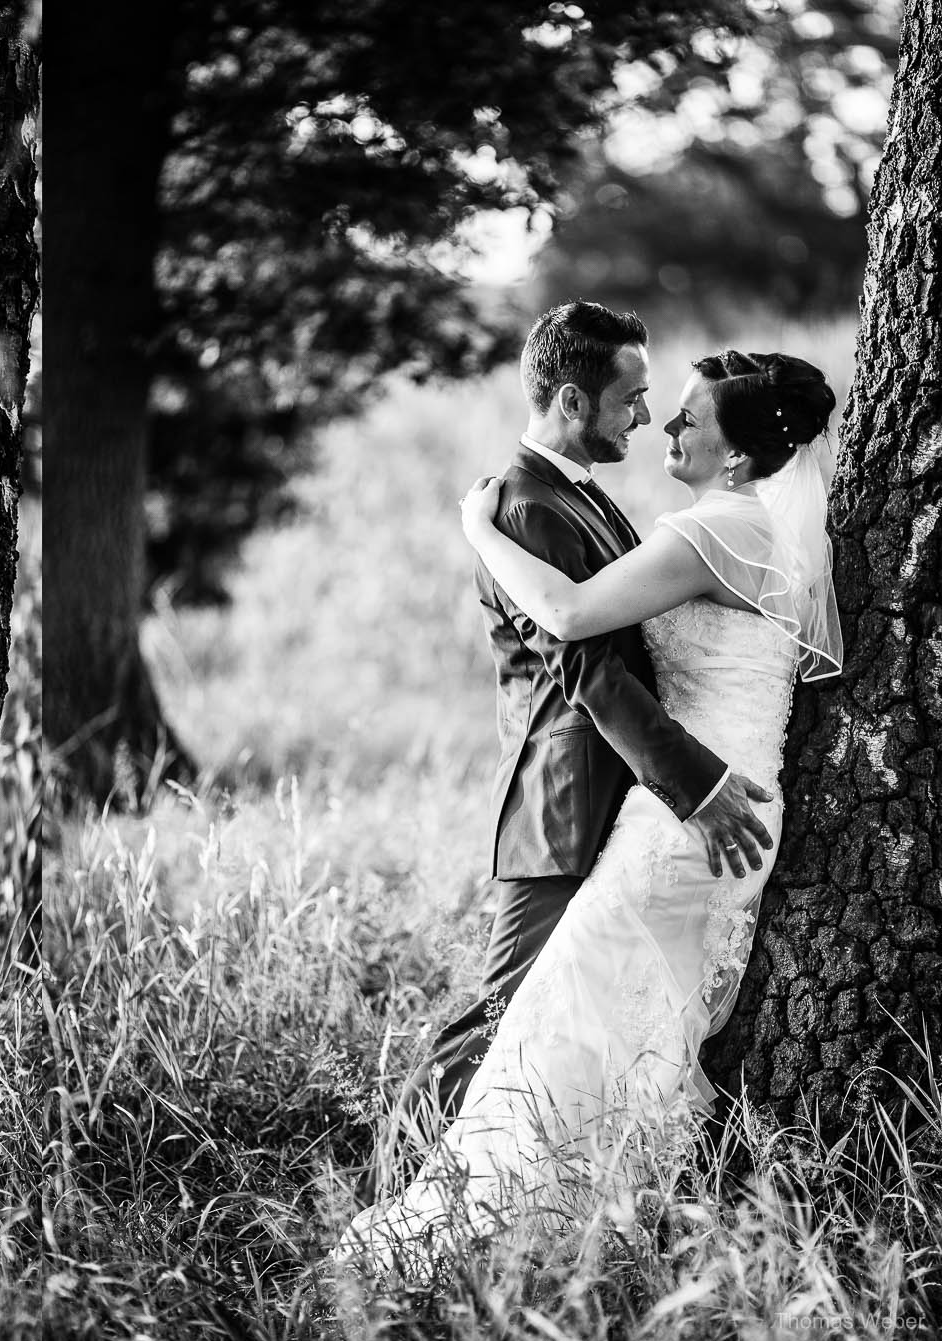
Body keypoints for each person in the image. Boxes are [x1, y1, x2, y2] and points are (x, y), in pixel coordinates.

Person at [340, 349, 842, 1276]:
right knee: (634, 1024)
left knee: (550, 1014)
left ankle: (468, 1223)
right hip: (729, 797)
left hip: (686, 816)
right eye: (653, 404)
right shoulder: (768, 533)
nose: (667, 425)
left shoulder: (711, 532)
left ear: (737, 456)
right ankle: (596, 1220)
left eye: (688, 414)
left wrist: (478, 533)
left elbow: (570, 619)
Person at [406, 303, 779, 1135]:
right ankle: (399, 1179)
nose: (645, 418)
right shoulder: (526, 508)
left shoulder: (584, 498)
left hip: (618, 797)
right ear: (573, 402)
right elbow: (588, 667)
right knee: (503, 1017)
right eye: (631, 399)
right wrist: (696, 784)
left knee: (567, 1019)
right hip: (564, 805)